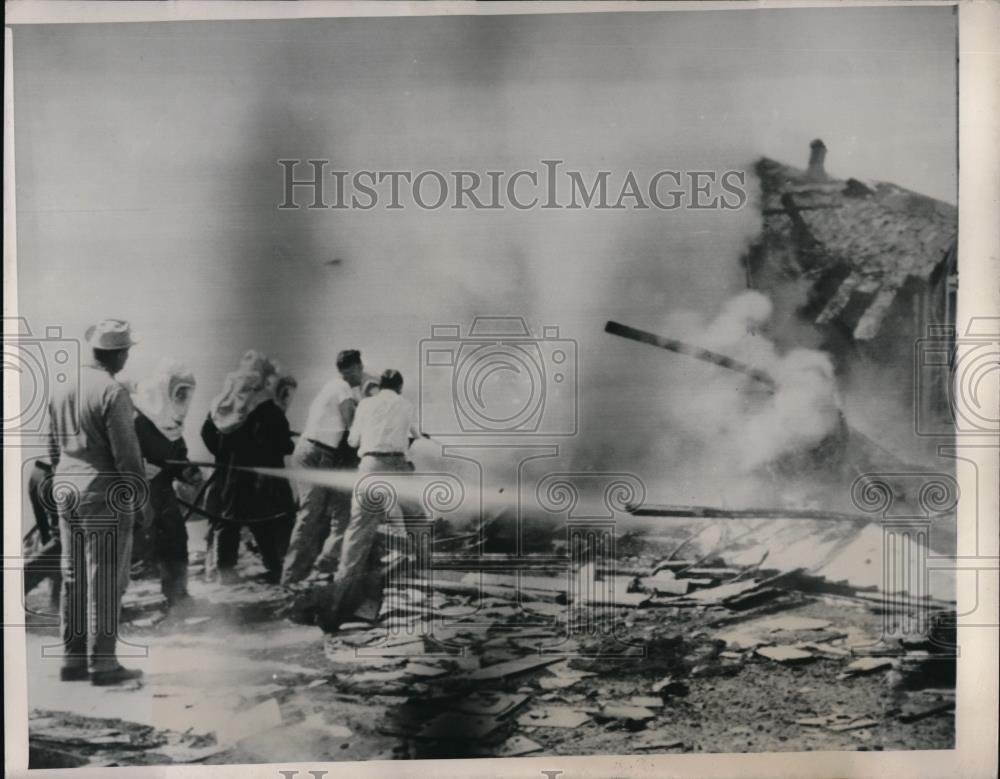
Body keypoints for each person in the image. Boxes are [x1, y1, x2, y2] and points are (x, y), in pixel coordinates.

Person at [47, 319, 146, 685]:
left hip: (66, 487)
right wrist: (139, 502)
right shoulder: (112, 391)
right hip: (102, 493)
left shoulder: (64, 386)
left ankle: (72, 660)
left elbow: (53, 447)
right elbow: (128, 458)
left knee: (72, 575)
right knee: (104, 578)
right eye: (127, 352)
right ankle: (102, 664)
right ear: (118, 354)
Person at [318, 369, 422, 631]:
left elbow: (353, 441)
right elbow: (415, 435)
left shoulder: (365, 404)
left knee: (356, 538)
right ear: (399, 387)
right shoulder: (406, 404)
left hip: (369, 466)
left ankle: (334, 613)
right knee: (418, 521)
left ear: (380, 385)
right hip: (397, 466)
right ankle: (420, 572)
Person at [201, 353, 295, 583]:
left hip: (228, 473)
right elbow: (281, 444)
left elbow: (206, 434)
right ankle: (274, 568)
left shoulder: (221, 404)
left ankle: (225, 571)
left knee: (228, 521)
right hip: (258, 478)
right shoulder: (266, 407)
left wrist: (223, 454)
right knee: (264, 522)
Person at [281, 349, 367, 586]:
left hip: (319, 453)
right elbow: (352, 425)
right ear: (353, 368)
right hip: (316, 454)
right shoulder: (342, 388)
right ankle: (291, 577)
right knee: (311, 515)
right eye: (360, 368)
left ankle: (319, 568)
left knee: (336, 512)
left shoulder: (335, 387)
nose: (362, 373)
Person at [132, 359, 201, 609]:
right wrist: (137, 468)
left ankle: (177, 595)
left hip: (162, 492)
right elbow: (117, 449)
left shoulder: (172, 421)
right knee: (133, 546)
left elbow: (177, 457)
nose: (183, 398)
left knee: (175, 538)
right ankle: (111, 602)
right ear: (165, 389)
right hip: (135, 494)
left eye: (186, 393)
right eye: (179, 392)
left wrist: (188, 472)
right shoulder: (137, 417)